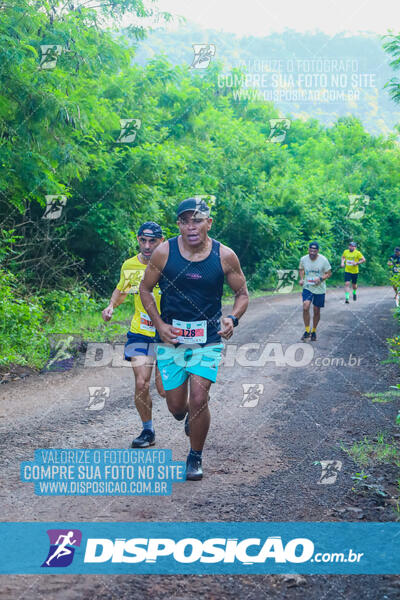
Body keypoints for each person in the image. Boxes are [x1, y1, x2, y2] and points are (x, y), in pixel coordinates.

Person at [140, 197, 249, 480]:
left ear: (209, 223)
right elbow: (145, 290)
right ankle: (189, 416)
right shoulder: (164, 252)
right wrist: (160, 325)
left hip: (208, 338)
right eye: (185, 220)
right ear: (178, 224)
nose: (191, 226)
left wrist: (232, 318)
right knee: (176, 407)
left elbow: (242, 294)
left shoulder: (225, 256)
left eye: (197, 220)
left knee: (200, 398)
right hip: (171, 338)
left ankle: (195, 456)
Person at [102, 222, 165, 448]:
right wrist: (111, 306)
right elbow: (122, 290)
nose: (147, 246)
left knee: (164, 389)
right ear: (138, 239)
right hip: (140, 332)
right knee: (141, 383)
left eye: (152, 241)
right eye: (143, 240)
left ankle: (192, 408)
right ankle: (148, 431)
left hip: (167, 332)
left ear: (162, 241)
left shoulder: (170, 262)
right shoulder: (130, 265)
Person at [299, 242, 332, 342]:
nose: (312, 252)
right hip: (307, 287)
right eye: (311, 250)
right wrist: (301, 278)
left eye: (314, 250)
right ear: (308, 249)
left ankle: (314, 331)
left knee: (316, 310)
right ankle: (307, 330)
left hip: (319, 288)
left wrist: (321, 279)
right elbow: (301, 269)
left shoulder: (323, 260)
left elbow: (329, 273)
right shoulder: (303, 259)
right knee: (305, 306)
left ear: (317, 251)